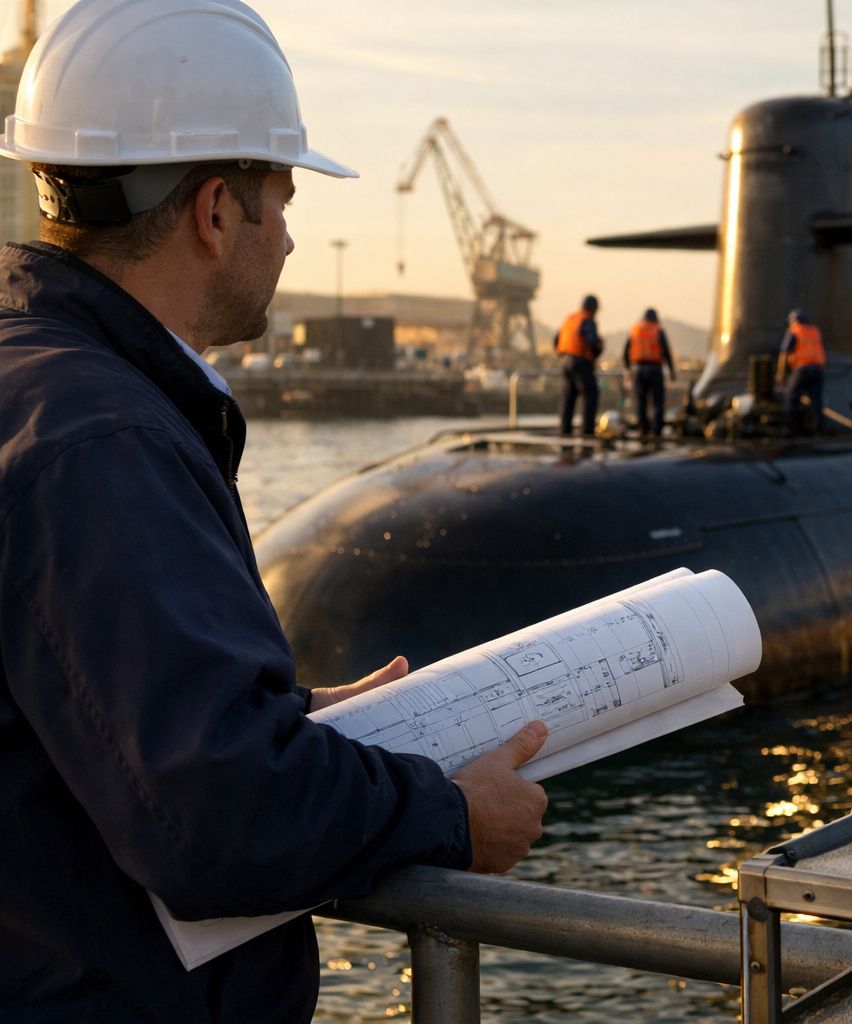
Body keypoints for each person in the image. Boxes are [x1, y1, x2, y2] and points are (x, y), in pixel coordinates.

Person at [0, 2, 548, 1019]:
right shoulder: (104, 440)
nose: (291, 239)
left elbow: (73, 698)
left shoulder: (36, 382)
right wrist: (450, 816)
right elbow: (212, 818)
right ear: (216, 212)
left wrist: (275, 720)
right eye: (282, 202)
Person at [556, 294, 604, 436]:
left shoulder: (570, 319)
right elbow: (592, 342)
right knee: (590, 395)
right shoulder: (587, 320)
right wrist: (598, 349)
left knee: (568, 397)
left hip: (565, 361)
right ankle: (587, 432)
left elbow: (556, 340)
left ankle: (565, 430)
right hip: (581, 362)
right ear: (592, 308)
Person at [624, 307, 675, 438]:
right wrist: (672, 371)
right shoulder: (657, 330)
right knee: (657, 401)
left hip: (638, 369)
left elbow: (625, 351)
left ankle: (643, 430)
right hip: (654, 369)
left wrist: (628, 369)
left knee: (640, 401)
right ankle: (657, 431)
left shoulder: (635, 330)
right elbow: (666, 352)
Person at [778, 309, 827, 436]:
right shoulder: (814, 331)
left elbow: (784, 353)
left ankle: (793, 430)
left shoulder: (794, 331)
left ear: (793, 321)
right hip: (818, 370)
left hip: (802, 369)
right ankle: (819, 430)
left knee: (791, 396)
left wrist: (780, 374)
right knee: (816, 400)